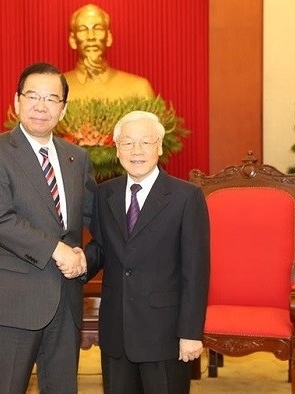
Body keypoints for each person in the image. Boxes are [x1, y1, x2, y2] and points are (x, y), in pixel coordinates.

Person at [0, 62, 96, 393]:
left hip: (66, 302)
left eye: (52, 98)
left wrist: (88, 258)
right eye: (33, 96)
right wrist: (58, 250)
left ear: (63, 108)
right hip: (14, 300)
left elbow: (93, 218)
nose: (41, 106)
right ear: (16, 101)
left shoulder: (77, 158)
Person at [81, 110, 209, 393]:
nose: (136, 151)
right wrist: (78, 263)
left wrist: (190, 333)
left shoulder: (185, 197)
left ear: (160, 147)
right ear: (117, 149)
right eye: (127, 143)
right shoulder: (105, 194)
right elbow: (101, 249)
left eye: (145, 142)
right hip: (117, 331)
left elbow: (195, 270)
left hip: (165, 333)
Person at [64, 4, 155, 101]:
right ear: (72, 40)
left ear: (108, 38)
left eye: (98, 29)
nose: (91, 37)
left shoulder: (139, 89)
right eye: (83, 30)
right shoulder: (54, 88)